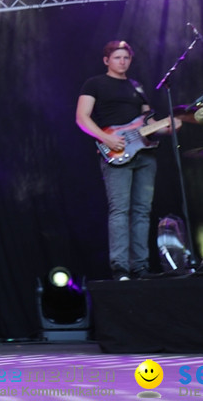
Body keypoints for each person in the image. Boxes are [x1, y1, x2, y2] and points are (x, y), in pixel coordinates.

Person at [75, 40, 176, 281]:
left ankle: (140, 267)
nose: (123, 62)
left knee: (142, 210)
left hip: (144, 153)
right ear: (106, 60)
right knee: (120, 210)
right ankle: (120, 267)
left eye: (126, 58)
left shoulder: (136, 86)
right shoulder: (94, 84)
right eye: (118, 57)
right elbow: (81, 117)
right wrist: (106, 139)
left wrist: (168, 126)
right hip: (115, 149)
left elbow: (147, 121)